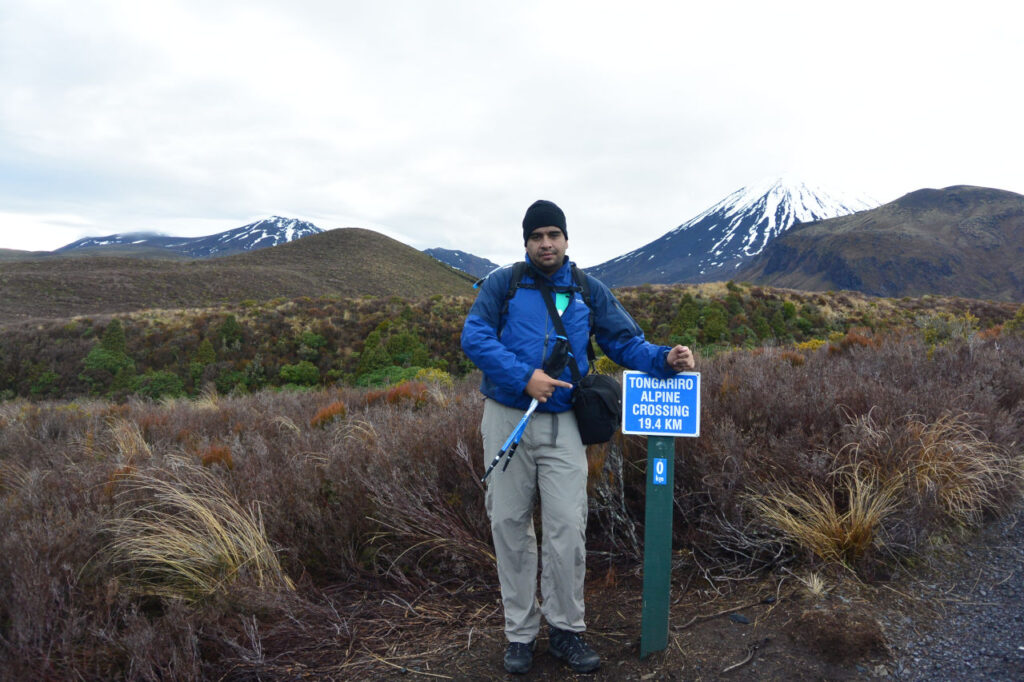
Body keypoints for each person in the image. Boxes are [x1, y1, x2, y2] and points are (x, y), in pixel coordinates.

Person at [461, 199, 695, 674]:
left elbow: (624, 341)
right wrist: (524, 375)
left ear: (566, 239)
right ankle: (520, 635)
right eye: (536, 236)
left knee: (568, 529)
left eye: (553, 234)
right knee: (509, 527)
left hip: (564, 423)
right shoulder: (503, 286)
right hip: (507, 418)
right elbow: (474, 336)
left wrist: (664, 358)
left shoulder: (589, 289)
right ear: (525, 242)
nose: (545, 243)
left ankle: (567, 630)